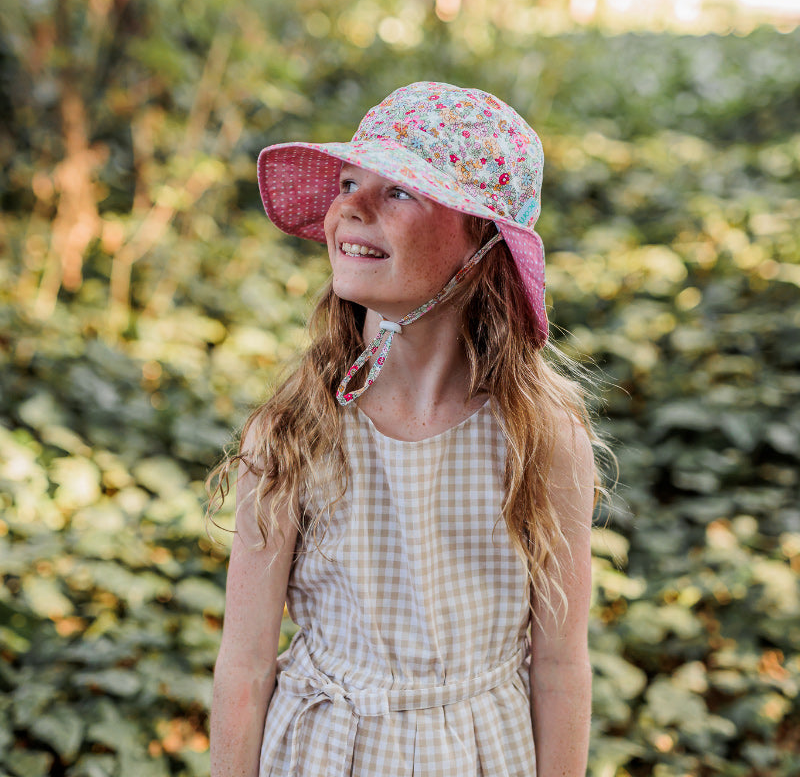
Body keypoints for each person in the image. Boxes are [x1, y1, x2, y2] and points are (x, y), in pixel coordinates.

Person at [208, 81, 603, 777]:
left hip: (479, 755)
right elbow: (243, 665)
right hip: (321, 753)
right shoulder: (297, 430)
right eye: (351, 181)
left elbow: (563, 668)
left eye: (399, 193)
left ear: (482, 240)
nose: (351, 207)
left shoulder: (540, 439)